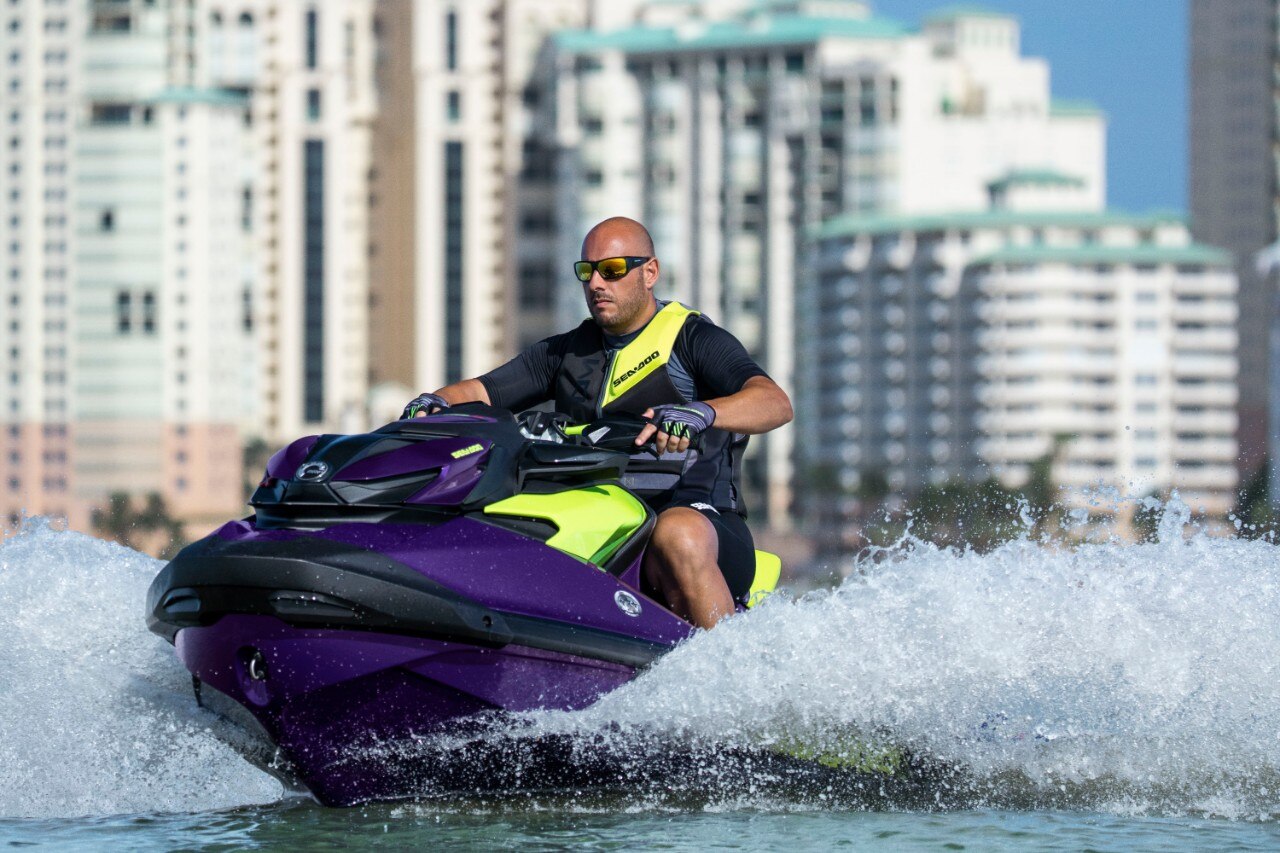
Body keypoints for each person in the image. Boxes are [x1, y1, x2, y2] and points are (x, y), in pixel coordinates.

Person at [401, 216, 792, 628]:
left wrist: (701, 412)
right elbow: (481, 391)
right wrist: (435, 401)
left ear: (650, 272)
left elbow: (774, 403)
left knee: (677, 533)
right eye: (586, 272)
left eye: (613, 270)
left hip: (699, 519)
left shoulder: (693, 339)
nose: (596, 284)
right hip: (600, 517)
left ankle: (729, 677)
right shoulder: (566, 352)